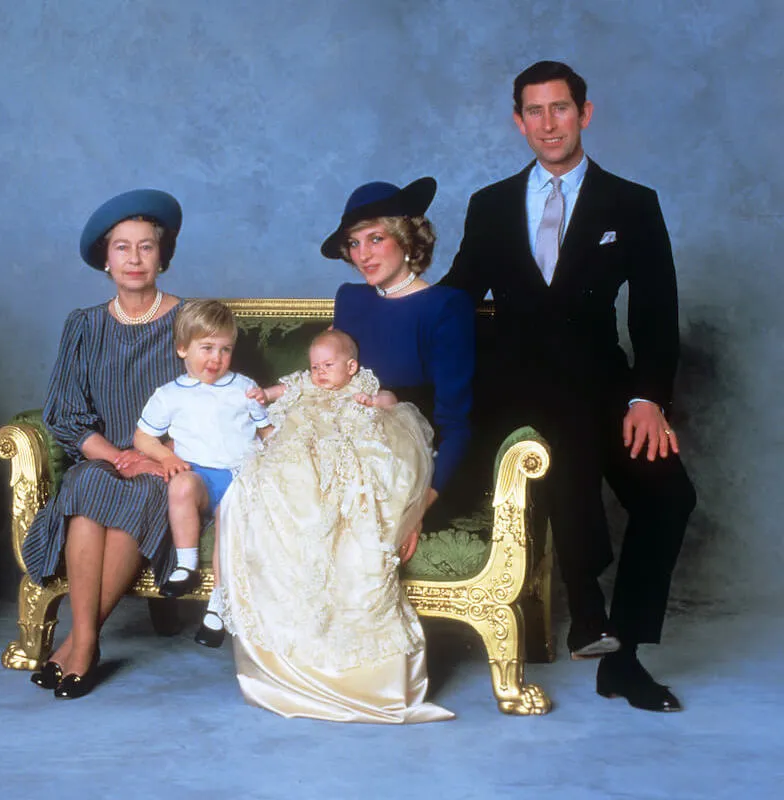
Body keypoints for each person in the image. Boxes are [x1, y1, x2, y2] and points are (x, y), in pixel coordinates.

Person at [443, 61, 696, 712]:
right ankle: (588, 611)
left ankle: (620, 651)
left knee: (668, 495)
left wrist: (647, 400)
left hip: (604, 384)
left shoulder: (631, 203)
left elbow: (655, 315)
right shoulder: (490, 205)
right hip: (518, 389)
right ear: (518, 121)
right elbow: (456, 298)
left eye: (561, 109)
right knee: (559, 434)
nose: (548, 123)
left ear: (585, 113)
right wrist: (384, 308)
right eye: (535, 111)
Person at [219, 329, 453, 723]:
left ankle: (363, 675)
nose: (319, 373)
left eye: (328, 366)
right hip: (303, 446)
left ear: (351, 367)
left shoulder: (363, 386)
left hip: (346, 445)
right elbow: (280, 389)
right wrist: (265, 396)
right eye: (314, 366)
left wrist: (376, 402)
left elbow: (391, 405)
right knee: (275, 480)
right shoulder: (304, 385)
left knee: (354, 489)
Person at [22, 189, 184, 699]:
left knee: (140, 494)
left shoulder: (195, 318)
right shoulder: (84, 325)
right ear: (105, 258)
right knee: (87, 489)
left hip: (168, 464)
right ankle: (87, 641)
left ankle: (79, 643)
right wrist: (117, 455)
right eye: (122, 248)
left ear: (162, 255)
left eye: (146, 247)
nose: (134, 259)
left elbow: (215, 403)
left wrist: (154, 457)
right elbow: (66, 414)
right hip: (105, 455)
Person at [324, 178, 476, 536]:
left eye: (376, 238)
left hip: (409, 470)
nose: (363, 254)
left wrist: (418, 505)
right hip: (342, 458)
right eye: (354, 243)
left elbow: (456, 427)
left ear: (406, 240)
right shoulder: (350, 299)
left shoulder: (445, 307)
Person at [132, 299, 273, 648]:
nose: (216, 359)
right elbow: (142, 437)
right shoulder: (170, 395)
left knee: (230, 515)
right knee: (180, 485)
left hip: (240, 476)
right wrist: (166, 457)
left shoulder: (244, 387)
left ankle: (217, 607)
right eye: (206, 348)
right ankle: (186, 565)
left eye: (225, 350)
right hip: (200, 477)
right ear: (183, 348)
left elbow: (267, 432)